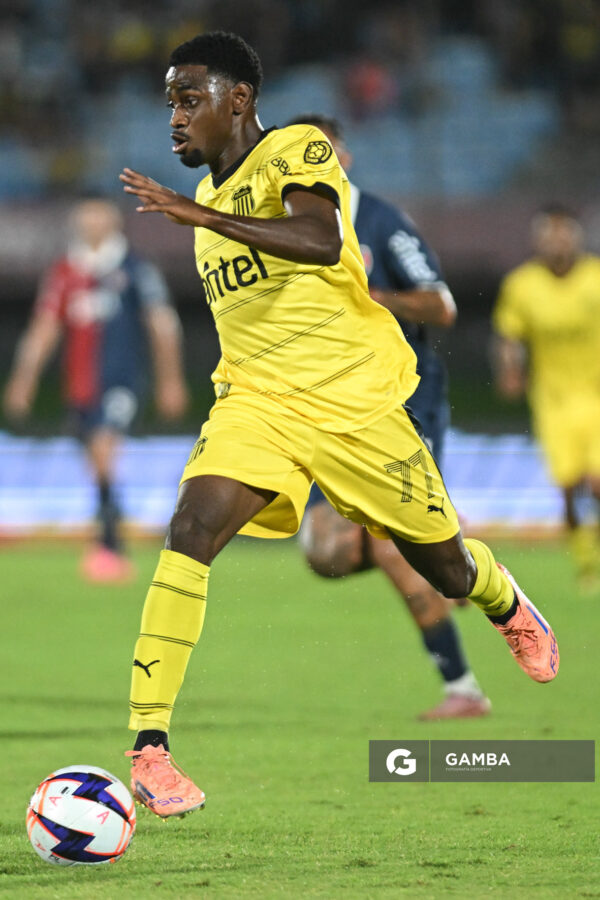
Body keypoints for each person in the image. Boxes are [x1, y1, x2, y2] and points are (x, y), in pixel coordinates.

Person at [119, 31, 558, 819]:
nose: (175, 119)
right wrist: (202, 216)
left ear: (239, 99)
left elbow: (321, 241)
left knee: (447, 570)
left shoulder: (296, 147)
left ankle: (504, 599)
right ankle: (151, 748)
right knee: (189, 529)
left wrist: (199, 218)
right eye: (170, 104)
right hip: (258, 403)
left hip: (356, 405)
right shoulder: (208, 207)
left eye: (190, 99)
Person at [286, 114, 490, 720]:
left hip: (402, 401)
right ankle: (455, 555)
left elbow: (442, 306)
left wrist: (374, 301)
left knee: (387, 543)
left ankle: (462, 685)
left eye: (318, 151)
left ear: (342, 159)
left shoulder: (380, 220)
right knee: (326, 553)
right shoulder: (284, 231)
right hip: (332, 406)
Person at [3, 197, 188, 581]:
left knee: (105, 443)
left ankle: (108, 543)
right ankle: (110, 522)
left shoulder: (134, 268)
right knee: (93, 454)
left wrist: (170, 380)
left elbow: (162, 325)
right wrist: (24, 378)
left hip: (121, 380)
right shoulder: (65, 271)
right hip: (80, 385)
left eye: (97, 213)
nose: (90, 221)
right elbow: (44, 329)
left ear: (113, 220)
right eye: (84, 214)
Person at [493, 205, 600, 586]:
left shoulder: (594, 277)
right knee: (569, 486)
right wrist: (509, 371)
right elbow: (509, 334)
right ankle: (586, 562)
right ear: (538, 240)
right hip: (552, 399)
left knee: (598, 480)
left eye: (563, 233)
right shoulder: (523, 284)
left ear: (576, 236)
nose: (557, 242)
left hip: (596, 396)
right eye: (549, 234)